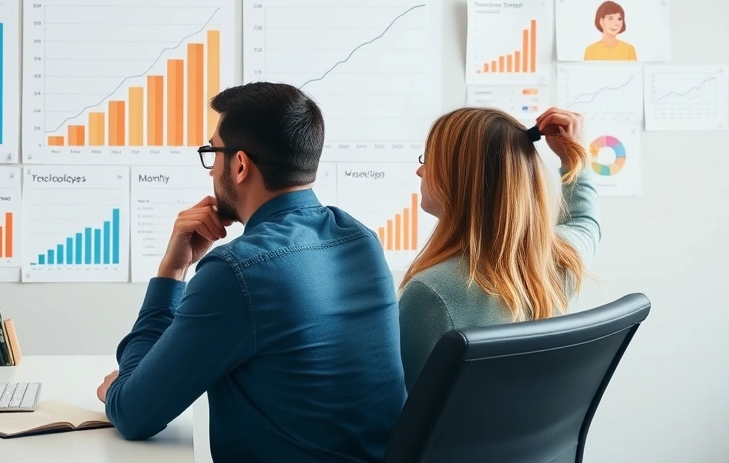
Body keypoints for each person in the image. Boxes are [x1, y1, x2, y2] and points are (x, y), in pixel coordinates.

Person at [96, 82, 407, 462]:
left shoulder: (237, 272)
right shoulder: (363, 241)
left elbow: (134, 413)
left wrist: (171, 271)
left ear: (240, 165)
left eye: (213, 153)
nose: (211, 170)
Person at [397, 107, 601, 391]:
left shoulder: (432, 293)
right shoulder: (563, 260)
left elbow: (401, 408)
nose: (420, 170)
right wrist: (574, 157)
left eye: (428, 160)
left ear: (460, 178)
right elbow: (585, 221)